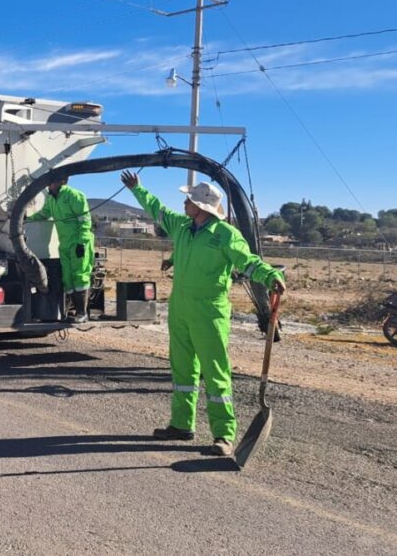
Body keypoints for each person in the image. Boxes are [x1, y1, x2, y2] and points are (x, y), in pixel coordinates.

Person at [121, 170, 285, 457]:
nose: (185, 203)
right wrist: (138, 189)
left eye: (189, 200)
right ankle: (181, 425)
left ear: (202, 207)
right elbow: (157, 211)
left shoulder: (225, 235)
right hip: (180, 309)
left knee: (215, 373)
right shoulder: (183, 228)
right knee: (183, 370)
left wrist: (270, 276)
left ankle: (223, 435)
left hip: (209, 312)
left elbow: (247, 262)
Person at [27, 176, 96, 323]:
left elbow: (85, 221)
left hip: (78, 243)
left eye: (51, 182)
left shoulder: (74, 196)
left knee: (80, 276)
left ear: (61, 181)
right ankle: (74, 312)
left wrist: (81, 243)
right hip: (64, 244)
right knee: (68, 278)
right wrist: (27, 219)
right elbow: (43, 214)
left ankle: (82, 313)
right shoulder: (51, 199)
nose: (49, 185)